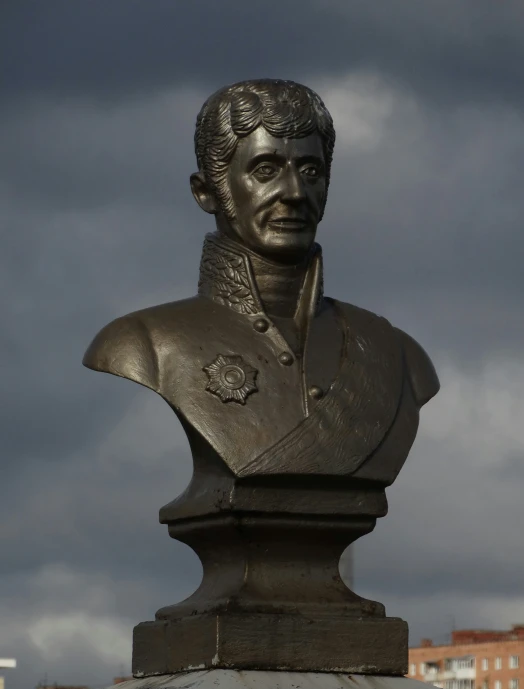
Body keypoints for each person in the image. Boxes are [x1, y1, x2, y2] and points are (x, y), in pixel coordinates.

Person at [84, 79, 439, 501]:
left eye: (311, 172)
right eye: (265, 171)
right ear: (206, 192)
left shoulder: (398, 358)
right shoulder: (142, 345)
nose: (293, 193)